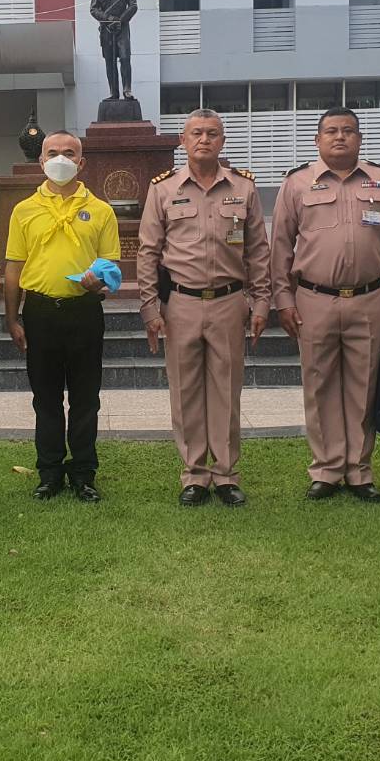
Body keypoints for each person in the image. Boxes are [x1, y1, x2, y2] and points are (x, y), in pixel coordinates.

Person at [271, 107, 380, 502]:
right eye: (331, 131)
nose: (340, 137)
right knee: (320, 386)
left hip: (369, 299)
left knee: (364, 385)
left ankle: (359, 469)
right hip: (314, 299)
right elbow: (280, 245)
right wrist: (283, 298)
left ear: (359, 138)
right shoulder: (297, 183)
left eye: (348, 130)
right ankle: (327, 469)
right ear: (317, 140)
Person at [137, 109, 269, 507]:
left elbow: (258, 250)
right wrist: (150, 307)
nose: (204, 140)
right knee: (185, 390)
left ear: (222, 141)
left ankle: (226, 474)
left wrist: (261, 301)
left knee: (227, 390)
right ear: (183, 141)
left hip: (229, 302)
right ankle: (194, 474)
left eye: (212, 133)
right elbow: (148, 252)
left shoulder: (243, 187)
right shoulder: (163, 189)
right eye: (196, 133)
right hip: (181, 303)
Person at [3, 131, 121, 502]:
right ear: (41, 161)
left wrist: (98, 281)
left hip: (84, 311)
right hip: (40, 313)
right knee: (46, 398)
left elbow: (110, 267)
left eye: (69, 153)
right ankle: (50, 472)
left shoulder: (100, 210)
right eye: (52, 152)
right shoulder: (24, 210)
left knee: (86, 399)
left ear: (81, 163)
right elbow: (13, 267)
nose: (60, 159)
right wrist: (12, 318)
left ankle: (83, 473)